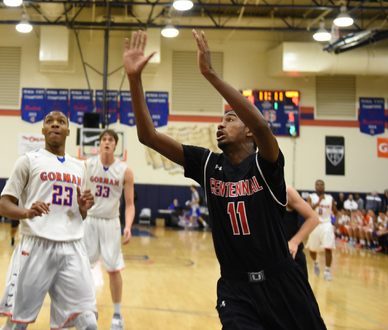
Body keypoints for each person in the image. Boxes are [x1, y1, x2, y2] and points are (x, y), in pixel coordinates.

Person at [124, 29, 326, 329]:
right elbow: (148, 136)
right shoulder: (208, 165)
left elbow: (260, 123)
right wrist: (134, 78)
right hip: (235, 288)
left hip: (282, 281)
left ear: (248, 133)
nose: (221, 124)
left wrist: (210, 74)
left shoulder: (266, 164)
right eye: (222, 120)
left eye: (230, 119)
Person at [0, 111, 98, 330]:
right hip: (36, 246)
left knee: (89, 322)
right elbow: (4, 206)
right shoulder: (28, 161)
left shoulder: (80, 167)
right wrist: (26, 212)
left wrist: (83, 209)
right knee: (17, 324)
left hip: (73, 248)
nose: (55, 125)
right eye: (49, 122)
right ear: (42, 130)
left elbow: (81, 215)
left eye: (61, 122)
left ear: (68, 131)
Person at [84, 129, 135, 330]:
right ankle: (86, 309)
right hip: (89, 220)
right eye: (103, 139)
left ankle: (117, 315)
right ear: (99, 144)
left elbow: (130, 204)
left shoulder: (125, 170)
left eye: (110, 140)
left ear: (115, 145)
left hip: (111, 222)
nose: (107, 142)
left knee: (113, 269)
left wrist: (128, 226)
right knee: (84, 268)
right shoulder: (87, 165)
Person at [283, 186, 319, 278]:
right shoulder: (251, 193)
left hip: (290, 255)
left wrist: (294, 242)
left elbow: (313, 218)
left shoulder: (287, 191)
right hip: (266, 259)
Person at [306, 180, 337, 280]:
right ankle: (316, 262)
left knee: (328, 247)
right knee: (312, 250)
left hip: (327, 224)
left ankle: (327, 271)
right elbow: (309, 209)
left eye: (322, 185)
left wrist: (336, 224)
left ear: (324, 187)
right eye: (318, 185)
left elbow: (336, 212)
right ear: (315, 187)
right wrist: (319, 201)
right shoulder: (311, 197)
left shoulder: (330, 198)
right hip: (315, 223)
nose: (320, 186)